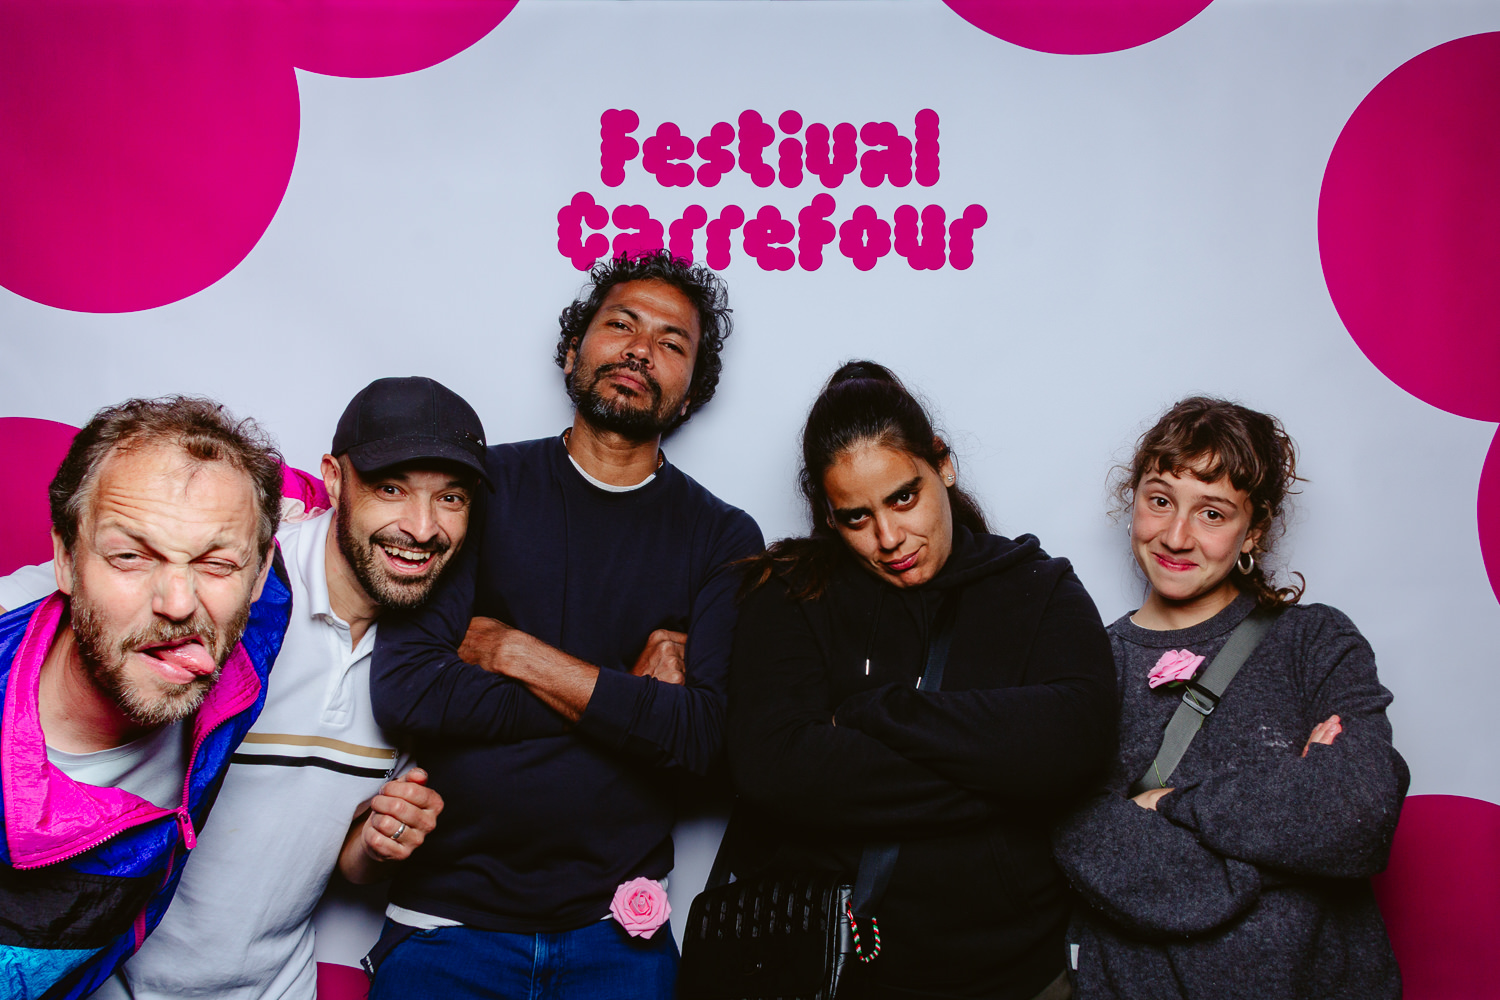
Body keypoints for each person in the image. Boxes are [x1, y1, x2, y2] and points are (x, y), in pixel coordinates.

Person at [0, 376, 483, 1000]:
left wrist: (376, 842)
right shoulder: (239, 597)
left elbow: (324, 853)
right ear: (334, 480)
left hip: (277, 986)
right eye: (391, 488)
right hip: (115, 979)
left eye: (451, 498)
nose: (420, 527)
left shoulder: (425, 661)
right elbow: (53, 603)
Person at [365, 250, 763, 998]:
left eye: (672, 342)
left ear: (691, 394)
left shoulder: (723, 537)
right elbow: (410, 689)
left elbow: (706, 741)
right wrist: (632, 698)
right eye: (622, 325)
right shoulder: (477, 490)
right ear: (575, 349)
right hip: (446, 926)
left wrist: (516, 652)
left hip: (618, 938)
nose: (640, 350)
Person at [726, 361, 1117, 1000]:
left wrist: (873, 712)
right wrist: (1008, 773)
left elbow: (1077, 741)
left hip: (1019, 977)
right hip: (837, 976)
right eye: (856, 518)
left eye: (903, 497)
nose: (889, 538)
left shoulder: (1037, 585)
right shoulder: (794, 594)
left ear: (943, 465)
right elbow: (773, 770)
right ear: (829, 515)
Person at [1052, 396, 1409, 999]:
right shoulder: (1080, 667)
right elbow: (1086, 841)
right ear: (1132, 502)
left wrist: (1166, 805)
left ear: (1254, 531)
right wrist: (1290, 835)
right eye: (1160, 500)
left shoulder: (1315, 641)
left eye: (1212, 513)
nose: (1176, 536)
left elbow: (1358, 815)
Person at [0, 396, 292, 1000]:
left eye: (216, 563)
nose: (179, 604)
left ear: (259, 574)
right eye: (130, 556)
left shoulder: (249, 641)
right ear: (65, 559)